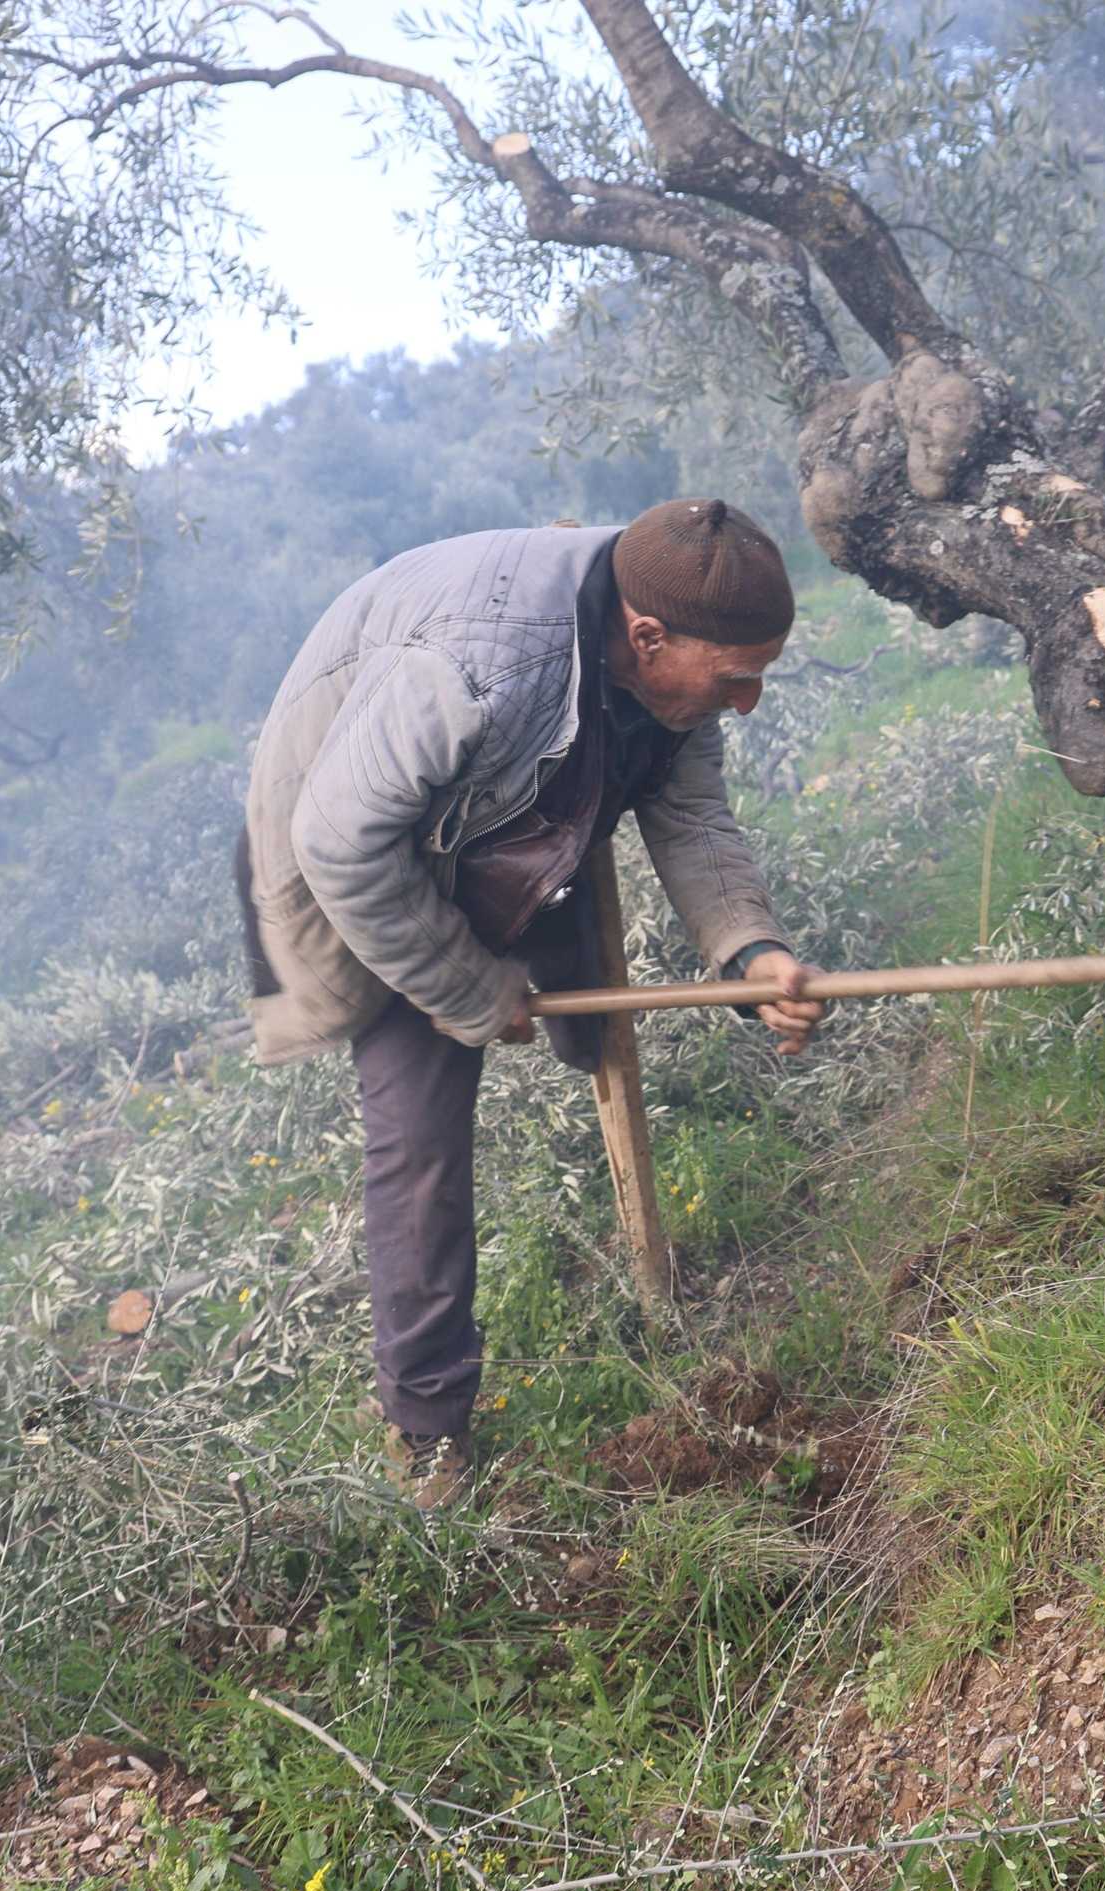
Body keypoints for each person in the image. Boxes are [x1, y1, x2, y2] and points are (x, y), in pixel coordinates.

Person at [237, 500, 829, 1505]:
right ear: (645, 637)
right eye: (736, 679)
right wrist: (470, 990)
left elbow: (689, 815)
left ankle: (636, 1229)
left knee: (588, 1020)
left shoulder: (667, 623)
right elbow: (335, 843)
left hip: (526, 811)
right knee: (417, 1142)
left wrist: (750, 949)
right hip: (378, 864)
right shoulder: (471, 679)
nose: (749, 702)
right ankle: (427, 1437)